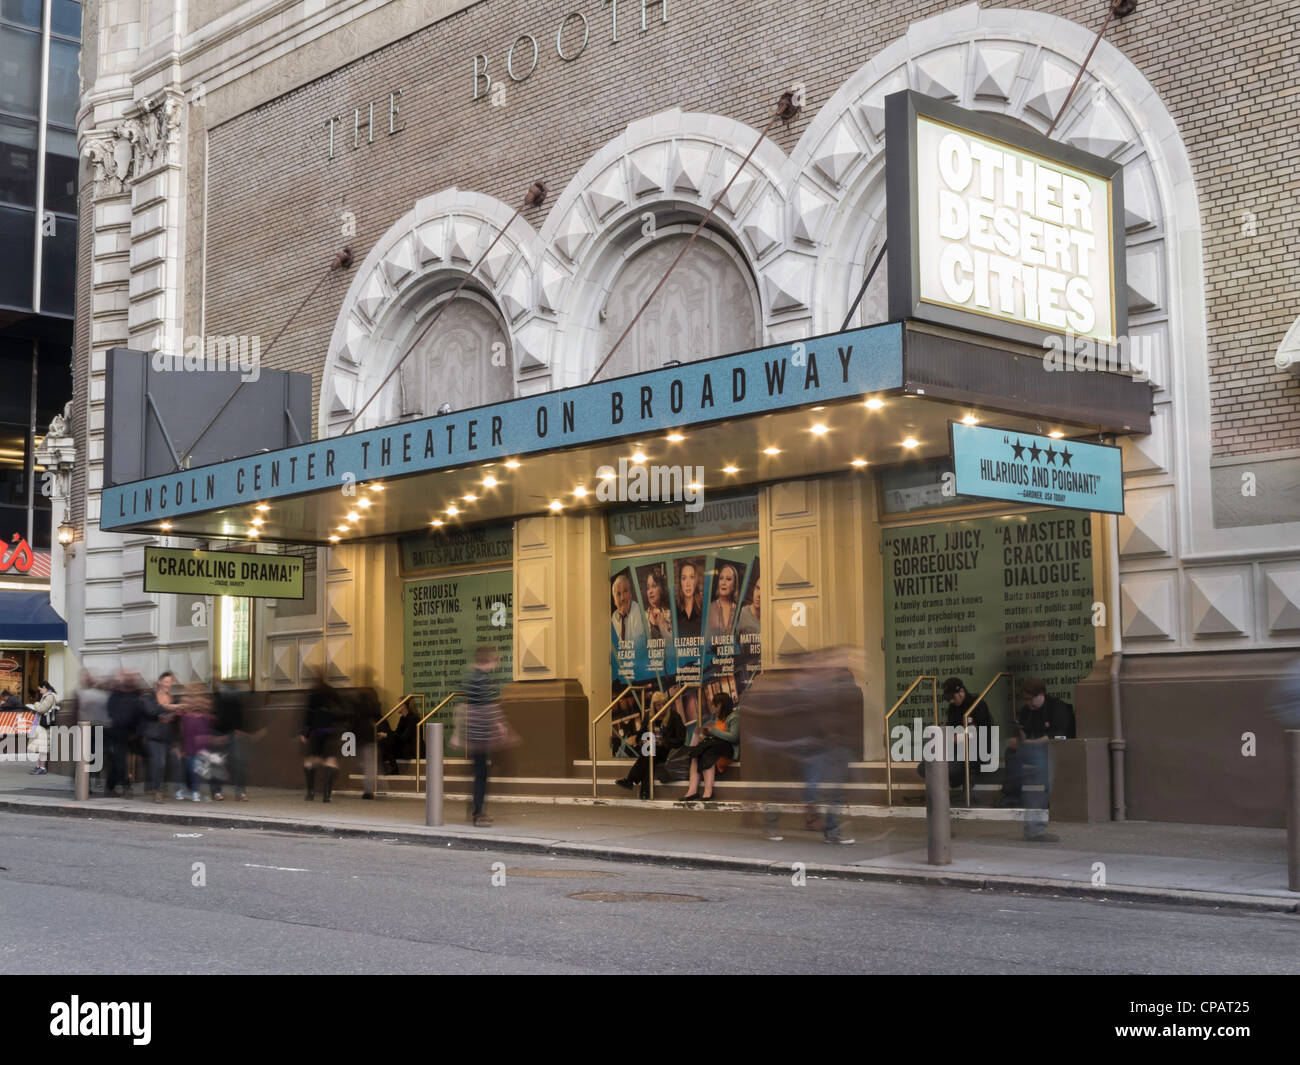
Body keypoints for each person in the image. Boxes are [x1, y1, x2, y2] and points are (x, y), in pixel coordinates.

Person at [1002, 677, 1075, 806]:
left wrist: (1032, 742)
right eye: (1026, 700)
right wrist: (1018, 738)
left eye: (1031, 699)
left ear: (1041, 694)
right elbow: (1025, 732)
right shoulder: (1027, 711)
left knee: (1050, 754)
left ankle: (1051, 798)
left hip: (1055, 749)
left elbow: (1058, 735)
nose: (1028, 703)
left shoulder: (1058, 708)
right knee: (1012, 753)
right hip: (1035, 749)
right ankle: (1011, 796)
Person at [464, 643, 509, 827]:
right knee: (481, 774)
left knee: (480, 773)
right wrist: (499, 724)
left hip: (477, 733)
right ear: (486, 660)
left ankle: (477, 808)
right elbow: (487, 705)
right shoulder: (480, 679)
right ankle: (477, 812)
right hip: (479, 734)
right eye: (494, 658)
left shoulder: (476, 677)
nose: (496, 662)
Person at [615, 691, 686, 799]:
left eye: (664, 703)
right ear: (654, 705)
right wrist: (643, 740)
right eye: (658, 705)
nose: (662, 707)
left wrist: (663, 742)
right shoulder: (649, 716)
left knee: (647, 754)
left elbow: (681, 739)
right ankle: (644, 792)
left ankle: (631, 780)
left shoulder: (674, 716)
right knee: (648, 755)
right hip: (651, 749)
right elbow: (640, 735)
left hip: (667, 749)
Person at [681, 691, 739, 802]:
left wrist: (713, 731)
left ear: (722, 705)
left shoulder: (734, 717)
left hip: (727, 750)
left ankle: (708, 791)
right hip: (716, 747)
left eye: (715, 705)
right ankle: (692, 791)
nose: (713, 708)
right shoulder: (719, 718)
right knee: (696, 754)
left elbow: (734, 737)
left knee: (707, 753)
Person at [300, 673, 343, 802]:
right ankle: (326, 795)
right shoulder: (331, 691)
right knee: (330, 761)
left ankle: (310, 792)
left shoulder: (313, 693)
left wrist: (304, 733)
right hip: (330, 730)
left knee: (309, 761)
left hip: (317, 731)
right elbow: (341, 708)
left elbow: (308, 714)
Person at [141, 672, 180, 802]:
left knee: (169, 763)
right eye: (167, 681)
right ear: (159, 682)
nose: (169, 685)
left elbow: (174, 720)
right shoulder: (149, 697)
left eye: (170, 682)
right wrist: (167, 707)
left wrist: (176, 712)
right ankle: (157, 791)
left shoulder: (172, 698)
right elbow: (151, 711)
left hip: (166, 735)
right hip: (153, 735)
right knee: (159, 762)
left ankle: (155, 787)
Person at [105, 671, 144, 797]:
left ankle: (116, 786)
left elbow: (139, 715)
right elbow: (111, 712)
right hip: (117, 733)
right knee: (119, 761)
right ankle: (123, 786)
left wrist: (136, 731)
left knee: (121, 762)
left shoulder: (136, 695)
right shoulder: (116, 695)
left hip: (132, 734)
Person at [377, 698, 416, 776]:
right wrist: (385, 735)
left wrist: (387, 735)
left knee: (387, 742)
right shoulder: (402, 718)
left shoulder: (413, 719)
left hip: (410, 749)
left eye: (398, 704)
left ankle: (393, 768)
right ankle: (387, 768)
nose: (396, 707)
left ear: (403, 706)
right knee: (383, 742)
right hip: (403, 746)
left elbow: (404, 737)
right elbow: (397, 734)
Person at [28, 680, 58, 775]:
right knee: (41, 747)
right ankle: (39, 766)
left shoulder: (49, 697)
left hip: (45, 726)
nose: (39, 691)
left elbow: (42, 709)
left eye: (40, 689)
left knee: (43, 748)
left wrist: (35, 704)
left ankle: (42, 767)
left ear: (44, 687)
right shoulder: (46, 697)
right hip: (42, 725)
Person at [706, 563, 741, 640]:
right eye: (721, 578)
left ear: (734, 585)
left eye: (728, 579)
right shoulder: (708, 609)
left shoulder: (740, 610)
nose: (723, 583)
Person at [610, 573, 646, 645]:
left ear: (630, 594)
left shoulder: (638, 611)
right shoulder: (614, 617)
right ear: (614, 601)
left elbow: (638, 648)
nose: (622, 598)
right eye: (618, 594)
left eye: (625, 591)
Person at [675, 560, 704, 638]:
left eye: (692, 577)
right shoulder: (674, 608)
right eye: (684, 578)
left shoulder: (704, 607)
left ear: (696, 581)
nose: (688, 583)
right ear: (680, 582)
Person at [643, 567, 673, 642]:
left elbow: (673, 645)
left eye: (654, 586)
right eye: (648, 588)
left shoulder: (670, 615)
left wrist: (662, 624)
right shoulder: (642, 618)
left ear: (661, 589)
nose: (650, 591)